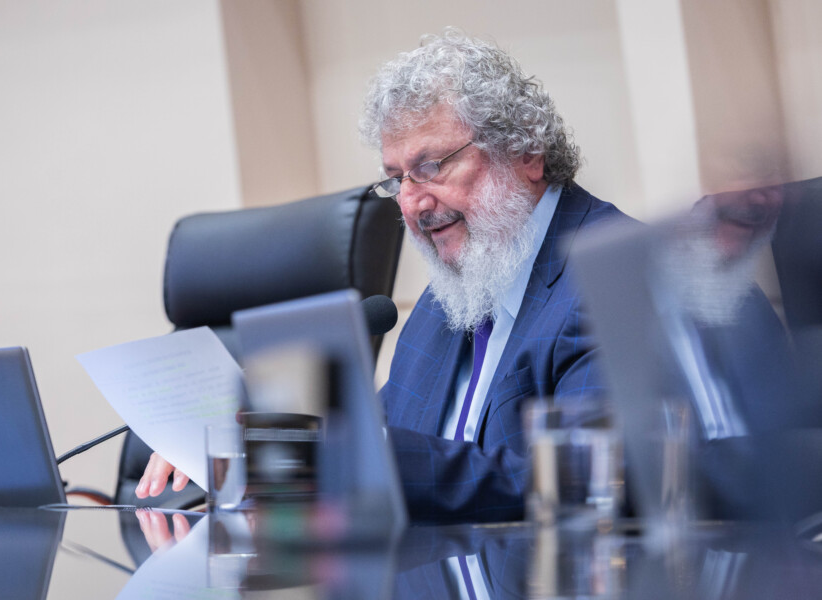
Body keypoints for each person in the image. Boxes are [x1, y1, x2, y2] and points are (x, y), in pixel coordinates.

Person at [137, 29, 630, 522]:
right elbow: (385, 437)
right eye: (396, 179)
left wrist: (341, 453)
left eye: (431, 166)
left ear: (526, 152)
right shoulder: (449, 299)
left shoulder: (613, 279)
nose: (411, 204)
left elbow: (577, 483)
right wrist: (260, 444)